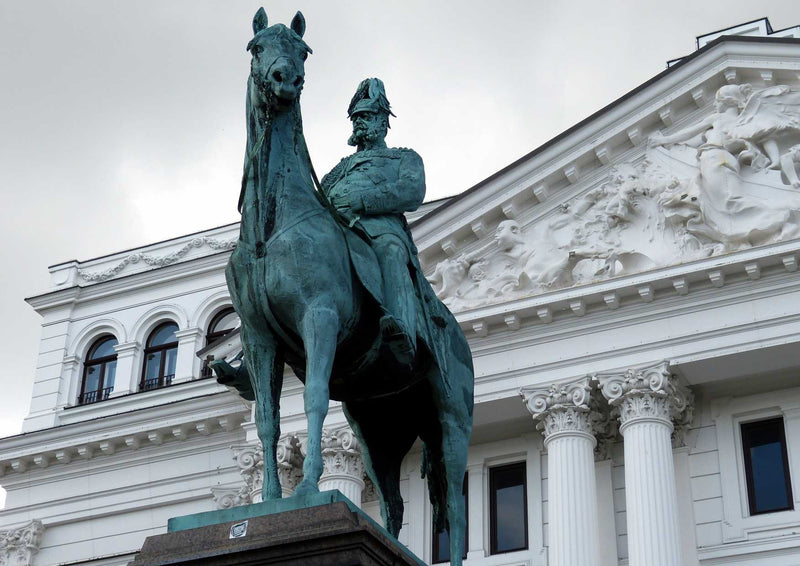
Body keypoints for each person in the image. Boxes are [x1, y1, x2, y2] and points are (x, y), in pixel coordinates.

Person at [321, 78, 425, 364]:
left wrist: (363, 201)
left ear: (383, 121)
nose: (359, 123)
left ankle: (403, 332)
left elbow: (411, 192)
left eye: (366, 116)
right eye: (356, 118)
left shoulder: (403, 158)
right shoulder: (338, 170)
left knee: (391, 251)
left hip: (380, 232)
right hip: (336, 232)